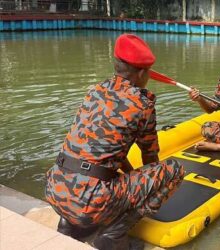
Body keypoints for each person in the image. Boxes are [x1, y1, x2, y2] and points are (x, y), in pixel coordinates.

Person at [45, 34, 184, 249]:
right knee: (173, 170)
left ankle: (67, 224)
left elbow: (100, 149)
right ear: (141, 73)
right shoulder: (142, 103)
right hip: (89, 203)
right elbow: (151, 160)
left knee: (91, 166)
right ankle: (115, 234)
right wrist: (141, 190)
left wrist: (127, 175)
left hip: (54, 190)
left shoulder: (94, 91)